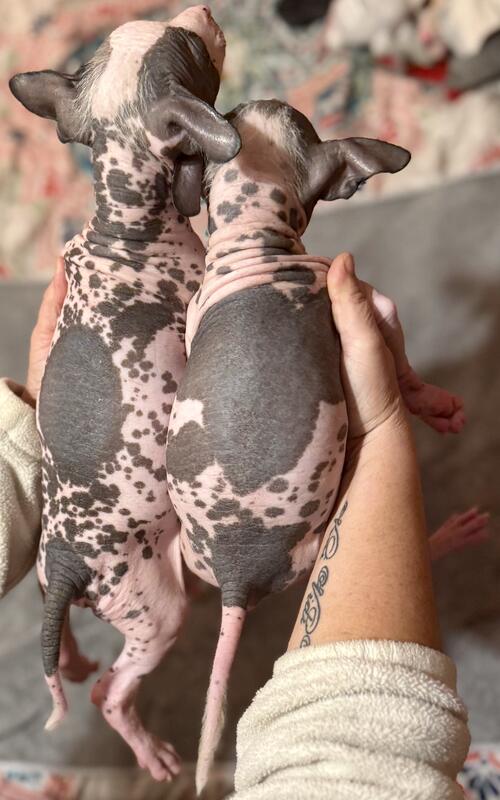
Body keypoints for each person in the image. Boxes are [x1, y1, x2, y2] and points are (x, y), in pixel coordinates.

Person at [0, 253, 479, 798]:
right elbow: (383, 313)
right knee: (239, 558)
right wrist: (384, 420)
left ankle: (69, 651)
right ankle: (112, 685)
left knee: (87, 557)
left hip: (97, 541)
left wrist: (28, 429)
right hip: (167, 546)